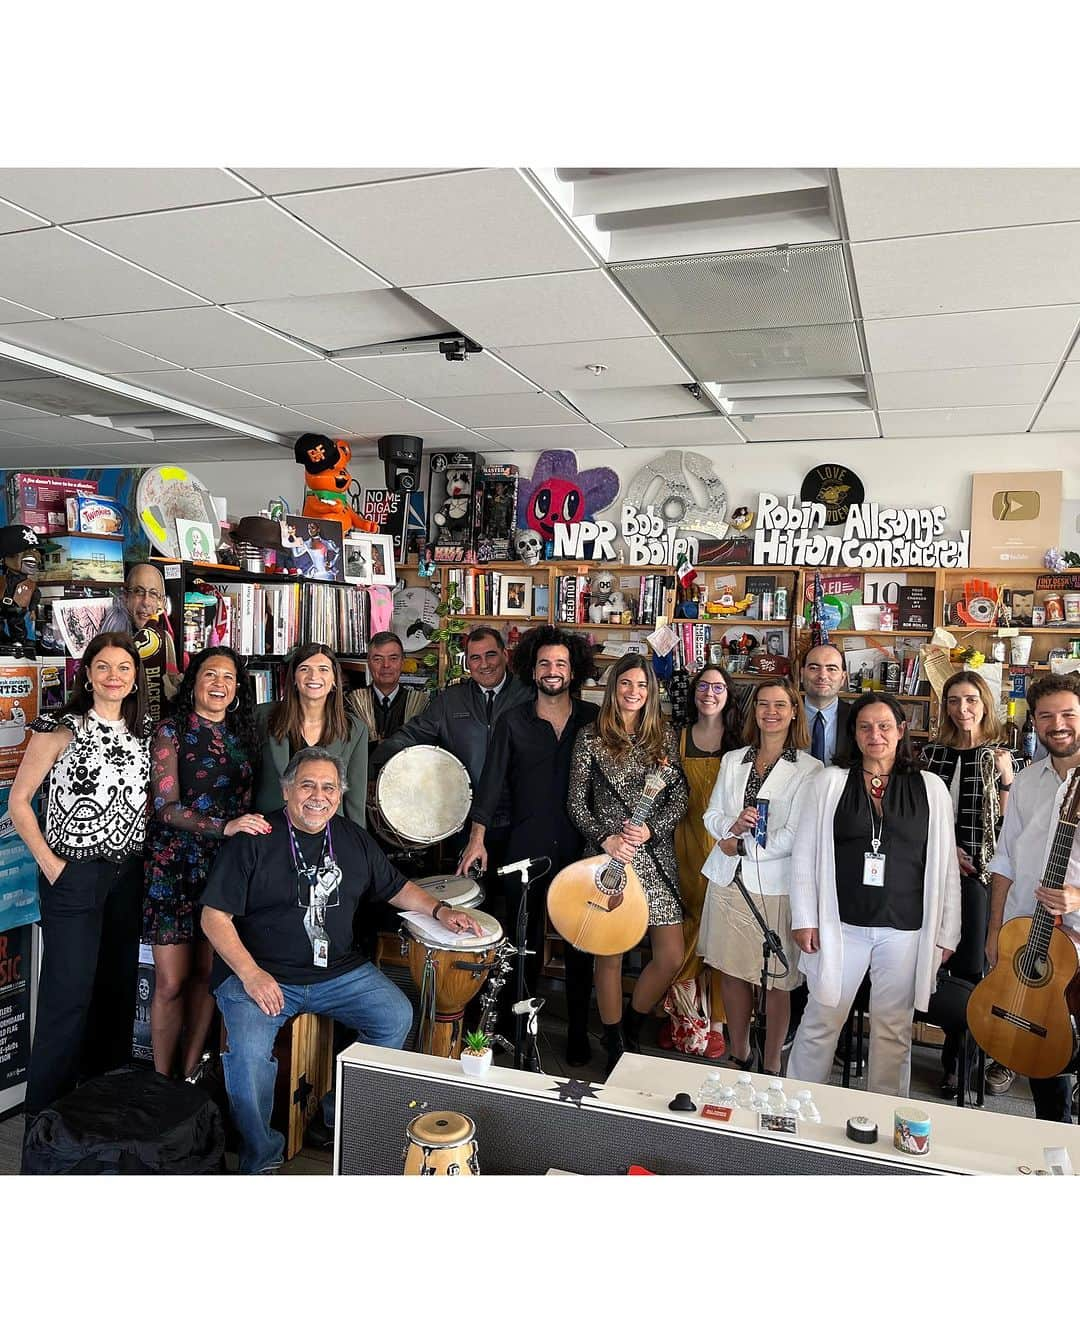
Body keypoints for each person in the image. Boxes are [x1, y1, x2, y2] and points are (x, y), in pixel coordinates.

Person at [200, 746, 483, 1173]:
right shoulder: (254, 840)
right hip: (260, 972)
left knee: (394, 1017)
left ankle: (332, 1117)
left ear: (340, 793)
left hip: (338, 972)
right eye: (307, 785)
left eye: (329, 787)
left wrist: (441, 911)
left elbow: (395, 887)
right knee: (248, 1058)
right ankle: (262, 1157)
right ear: (286, 789)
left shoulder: (350, 837)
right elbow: (213, 916)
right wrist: (251, 974)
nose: (318, 796)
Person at [787, 691, 960, 1097]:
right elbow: (804, 853)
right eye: (865, 727)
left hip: (905, 929)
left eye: (884, 726)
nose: (875, 735)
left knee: (892, 1027)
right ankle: (795, 1106)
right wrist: (804, 918)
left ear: (901, 731)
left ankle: (884, 1116)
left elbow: (946, 867)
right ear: (854, 733)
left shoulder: (931, 788)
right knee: (823, 1016)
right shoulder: (829, 782)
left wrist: (946, 932)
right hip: (840, 924)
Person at [11, 632, 151, 1116]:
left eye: (124, 669)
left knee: (115, 995)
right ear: (87, 674)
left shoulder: (144, 730)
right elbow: (19, 802)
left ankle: (98, 1114)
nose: (114, 676)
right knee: (66, 999)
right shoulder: (61, 726)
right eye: (104, 667)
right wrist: (50, 864)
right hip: (73, 874)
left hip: (125, 874)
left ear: (135, 679)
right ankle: (41, 1125)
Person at [456, 626, 599, 1067]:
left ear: (573, 670)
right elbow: (491, 784)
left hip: (581, 847)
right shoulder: (513, 720)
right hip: (525, 845)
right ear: (531, 670)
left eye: (560, 664)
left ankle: (577, 1031)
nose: (552, 671)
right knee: (524, 941)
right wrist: (476, 841)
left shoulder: (593, 719)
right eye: (544, 663)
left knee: (580, 943)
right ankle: (521, 1031)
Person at [143, 646, 268, 1081]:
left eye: (228, 678)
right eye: (210, 675)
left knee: (206, 977)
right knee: (171, 982)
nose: (219, 684)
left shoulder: (244, 735)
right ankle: (161, 1080)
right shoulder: (171, 731)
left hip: (225, 869)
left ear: (237, 690)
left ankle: (190, 1072)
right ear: (194, 682)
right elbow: (164, 806)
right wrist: (226, 826)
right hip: (174, 867)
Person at [566, 653, 688, 1073]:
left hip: (655, 859)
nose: (633, 692)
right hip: (607, 859)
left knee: (671, 954)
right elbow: (576, 804)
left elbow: (680, 798)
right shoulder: (589, 737)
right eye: (625, 684)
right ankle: (614, 1039)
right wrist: (607, 837)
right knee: (610, 954)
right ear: (613, 688)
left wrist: (652, 829)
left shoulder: (665, 736)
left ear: (651, 692)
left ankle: (634, 1023)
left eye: (641, 686)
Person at [701, 679, 823, 1074]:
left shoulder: (809, 769)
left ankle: (771, 1062)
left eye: (780, 705)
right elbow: (711, 815)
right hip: (727, 881)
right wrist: (731, 829)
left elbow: (796, 834)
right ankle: (740, 1052)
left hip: (774, 886)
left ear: (793, 712)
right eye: (764, 705)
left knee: (775, 980)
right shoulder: (732, 759)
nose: (771, 712)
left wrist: (742, 846)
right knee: (733, 973)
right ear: (754, 712)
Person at [921, 671, 1022, 1097]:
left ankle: (959, 1062)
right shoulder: (932, 755)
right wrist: (947, 853)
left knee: (971, 971)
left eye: (971, 701)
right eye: (954, 701)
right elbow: (919, 814)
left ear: (985, 705)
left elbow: (1014, 824)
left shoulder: (1005, 756)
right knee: (934, 966)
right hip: (934, 873)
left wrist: (1005, 779)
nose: (963, 709)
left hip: (980, 878)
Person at [986, 672, 1080, 1124]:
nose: (1057, 724)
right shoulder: (1026, 781)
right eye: (1046, 716)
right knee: (1043, 1058)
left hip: (1078, 945)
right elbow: (1004, 860)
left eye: (1067, 714)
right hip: (1027, 940)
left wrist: (1077, 897)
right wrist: (994, 932)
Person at [371, 625, 533, 865]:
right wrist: (369, 762)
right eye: (475, 658)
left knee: (517, 892)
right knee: (473, 894)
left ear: (504, 655)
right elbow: (412, 735)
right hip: (466, 820)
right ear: (467, 663)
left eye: (490, 655)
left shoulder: (529, 696)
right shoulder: (450, 701)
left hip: (521, 818)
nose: (484, 664)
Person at [662, 666, 741, 1058]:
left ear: (729, 693)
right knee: (684, 928)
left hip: (726, 846)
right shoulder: (676, 738)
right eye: (703, 686)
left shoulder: (741, 741)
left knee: (723, 933)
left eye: (719, 687)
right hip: (683, 842)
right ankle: (681, 1015)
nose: (710, 693)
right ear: (694, 693)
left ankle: (719, 1024)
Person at [254, 643, 368, 827]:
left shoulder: (355, 729)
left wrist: (358, 843)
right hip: (268, 827)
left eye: (323, 669)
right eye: (304, 669)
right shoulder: (262, 717)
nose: (314, 676)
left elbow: (355, 798)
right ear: (293, 678)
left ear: (334, 680)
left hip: (327, 830)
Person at [101, 562, 180, 722]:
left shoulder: (166, 642)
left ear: (162, 603)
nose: (146, 602)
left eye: (153, 594)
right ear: (125, 597)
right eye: (138, 592)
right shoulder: (107, 639)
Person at [348, 631, 428, 749]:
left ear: (402, 663)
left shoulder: (422, 705)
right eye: (378, 659)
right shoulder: (351, 704)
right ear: (368, 663)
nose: (386, 665)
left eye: (393, 658)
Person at [800, 642, 851, 765]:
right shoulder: (782, 715)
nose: (822, 676)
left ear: (843, 678)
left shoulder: (856, 717)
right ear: (801, 674)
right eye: (814, 668)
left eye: (831, 669)